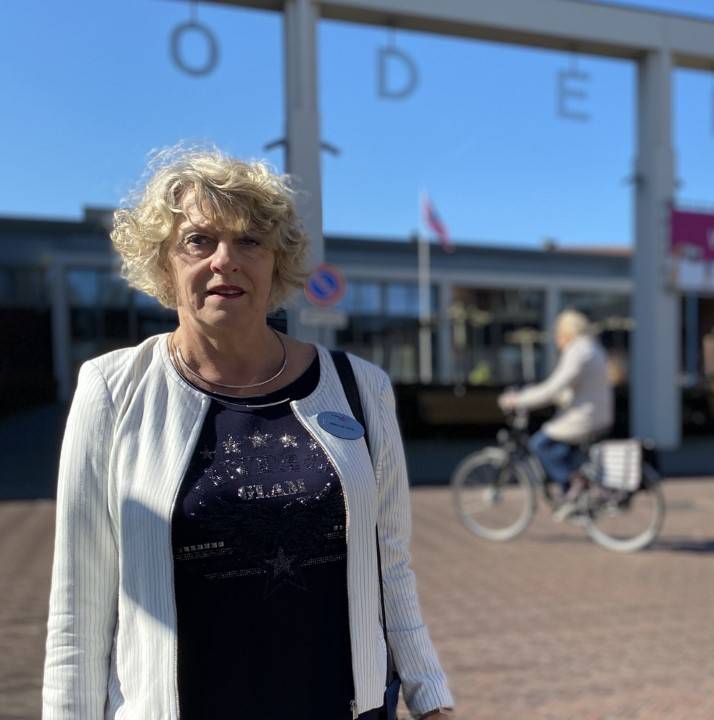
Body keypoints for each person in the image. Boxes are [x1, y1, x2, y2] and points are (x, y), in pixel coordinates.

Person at [42, 146, 455, 720]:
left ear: (276, 262)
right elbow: (77, 611)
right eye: (198, 241)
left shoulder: (360, 387)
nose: (224, 260)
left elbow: (391, 564)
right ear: (164, 263)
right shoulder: (113, 391)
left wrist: (430, 696)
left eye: (249, 241)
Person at [498, 309, 613, 515]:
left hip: (584, 418)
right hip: (596, 414)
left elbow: (554, 386)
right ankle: (572, 495)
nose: (556, 339)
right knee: (559, 450)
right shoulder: (593, 348)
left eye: (558, 333)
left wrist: (519, 400)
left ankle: (574, 486)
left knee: (539, 444)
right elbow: (575, 386)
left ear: (568, 332)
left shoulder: (578, 351)